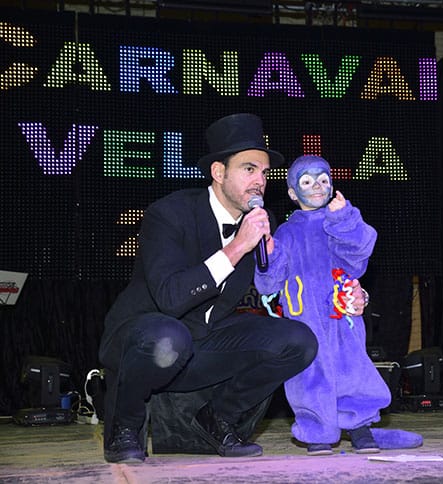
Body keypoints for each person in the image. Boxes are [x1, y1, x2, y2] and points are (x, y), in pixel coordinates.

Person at [97, 114, 369, 464]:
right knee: (168, 337)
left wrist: (353, 296)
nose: (260, 181)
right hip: (147, 344)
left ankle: (219, 417)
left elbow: (301, 277)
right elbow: (170, 298)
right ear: (218, 172)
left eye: (264, 173)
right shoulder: (169, 213)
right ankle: (124, 427)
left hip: (203, 344)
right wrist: (238, 247)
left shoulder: (263, 222)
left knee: (298, 340)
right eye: (249, 169)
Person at [254, 155, 390, 456]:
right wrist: (270, 255)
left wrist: (344, 219)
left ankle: (360, 425)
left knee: (352, 365)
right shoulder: (286, 232)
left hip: (342, 314)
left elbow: (357, 260)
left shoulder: (339, 220)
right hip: (304, 317)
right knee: (310, 372)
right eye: (306, 181)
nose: (317, 186)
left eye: (323, 179)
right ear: (292, 193)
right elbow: (269, 285)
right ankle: (317, 428)